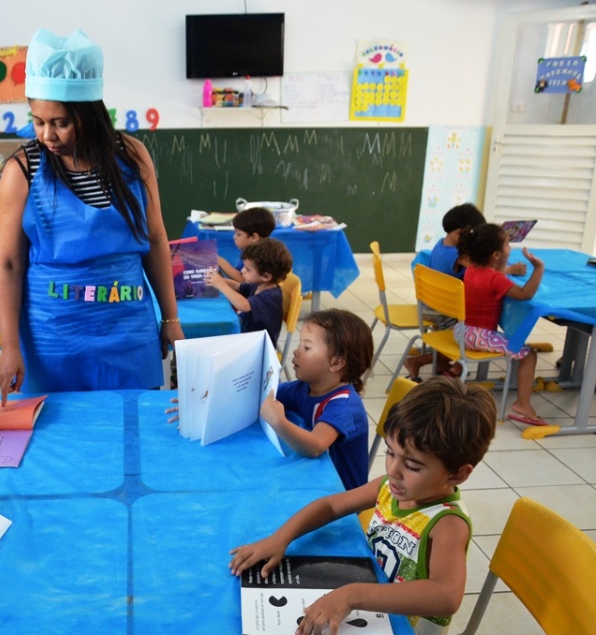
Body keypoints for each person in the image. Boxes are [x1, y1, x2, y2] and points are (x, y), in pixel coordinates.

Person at [0, 29, 184, 400]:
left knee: (131, 428)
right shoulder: (23, 170)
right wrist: (9, 344)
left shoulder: (131, 155)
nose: (47, 134)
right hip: (53, 334)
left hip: (127, 329)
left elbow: (156, 239)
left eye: (60, 122)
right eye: (38, 121)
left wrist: (170, 319)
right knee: (60, 438)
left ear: (90, 114)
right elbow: (8, 264)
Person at [230, 376, 496, 635]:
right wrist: (280, 538)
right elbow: (333, 506)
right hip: (372, 607)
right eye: (390, 452)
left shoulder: (448, 523)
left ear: (457, 474)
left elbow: (446, 596)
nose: (393, 470)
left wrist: (352, 595)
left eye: (413, 465)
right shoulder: (391, 487)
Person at [405, 203, 526, 380]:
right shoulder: (459, 258)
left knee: (468, 328)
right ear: (459, 233)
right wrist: (509, 269)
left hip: (430, 304)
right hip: (443, 312)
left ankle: (451, 368)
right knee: (473, 324)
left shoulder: (441, 245)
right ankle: (424, 361)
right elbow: (484, 273)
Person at [260, 309, 374, 491]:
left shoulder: (344, 406)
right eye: (299, 345)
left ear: (337, 363)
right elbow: (266, 393)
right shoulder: (305, 386)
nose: (296, 352)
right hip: (313, 480)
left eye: (307, 347)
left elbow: (316, 446)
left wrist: (278, 422)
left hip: (341, 497)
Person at [455, 223, 548, 425]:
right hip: (477, 336)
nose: (511, 248)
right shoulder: (496, 278)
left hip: (461, 331)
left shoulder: (471, 269)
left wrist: (506, 269)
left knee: (519, 348)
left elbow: (492, 275)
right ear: (496, 255)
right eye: (507, 245)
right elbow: (525, 294)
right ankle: (522, 404)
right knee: (528, 355)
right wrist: (539, 268)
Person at [206, 237, 293, 345]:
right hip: (248, 336)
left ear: (266, 276)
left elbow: (244, 305)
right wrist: (217, 280)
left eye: (248, 269)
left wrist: (221, 285)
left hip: (259, 345)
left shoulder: (271, 296)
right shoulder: (259, 285)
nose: (242, 271)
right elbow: (237, 286)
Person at [217, 206, 276, 283]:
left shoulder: (258, 257)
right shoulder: (250, 250)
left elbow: (244, 280)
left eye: (238, 234)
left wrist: (219, 260)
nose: (234, 237)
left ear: (254, 237)